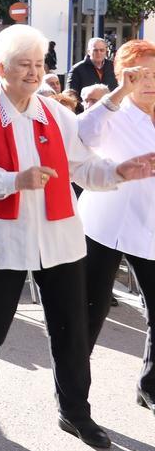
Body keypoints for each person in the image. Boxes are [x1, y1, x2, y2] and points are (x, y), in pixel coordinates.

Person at [0, 24, 155, 448]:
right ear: (1, 68)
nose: (33, 73)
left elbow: (82, 168)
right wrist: (14, 180)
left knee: (71, 329)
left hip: (61, 237)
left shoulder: (57, 114)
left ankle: (75, 412)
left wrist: (118, 171)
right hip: (7, 237)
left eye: (38, 64)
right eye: (24, 64)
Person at [77, 40, 155, 417]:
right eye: (140, 75)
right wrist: (119, 91)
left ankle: (149, 384)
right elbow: (79, 135)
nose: (150, 82)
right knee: (91, 311)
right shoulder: (114, 113)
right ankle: (73, 398)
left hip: (150, 225)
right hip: (105, 225)